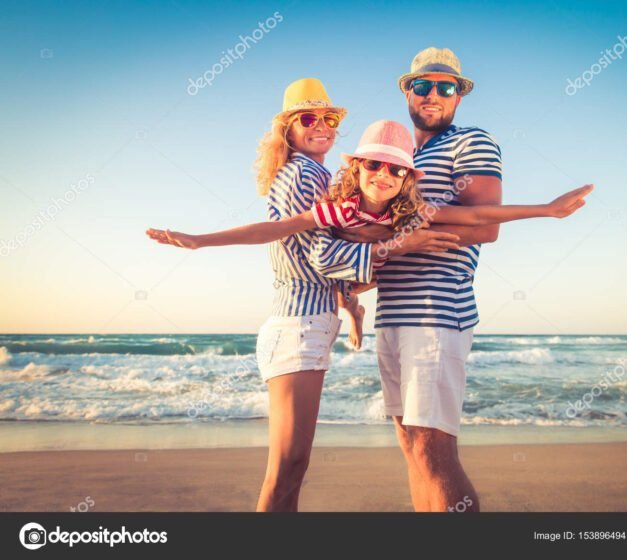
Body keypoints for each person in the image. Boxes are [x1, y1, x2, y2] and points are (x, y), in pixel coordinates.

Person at [145, 78, 459, 511]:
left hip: (306, 325)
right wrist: (397, 242)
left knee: (293, 468)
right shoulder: (306, 172)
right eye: (308, 118)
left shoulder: (306, 172)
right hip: (297, 327)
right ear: (287, 129)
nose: (322, 127)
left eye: (329, 119)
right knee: (287, 468)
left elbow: (322, 261)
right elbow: (321, 255)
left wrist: (353, 311)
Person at [336, 47, 595, 512]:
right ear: (407, 91)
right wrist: (365, 272)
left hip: (437, 312)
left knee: (434, 453)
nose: (433, 94)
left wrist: (546, 210)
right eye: (422, 85)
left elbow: (484, 227)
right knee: (411, 449)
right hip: (393, 312)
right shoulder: (400, 157)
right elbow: (391, 238)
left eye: (445, 86)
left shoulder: (471, 141)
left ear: (459, 95)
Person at [149, 119, 591, 350]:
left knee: (389, 262)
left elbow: (478, 218)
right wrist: (200, 240)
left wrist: (548, 210)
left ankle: (354, 309)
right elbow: (274, 228)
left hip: (372, 262)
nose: (384, 174)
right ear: (357, 167)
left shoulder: (411, 211)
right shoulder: (339, 207)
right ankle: (352, 308)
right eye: (374, 164)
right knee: (347, 278)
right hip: (342, 262)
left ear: (406, 177)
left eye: (396, 168)